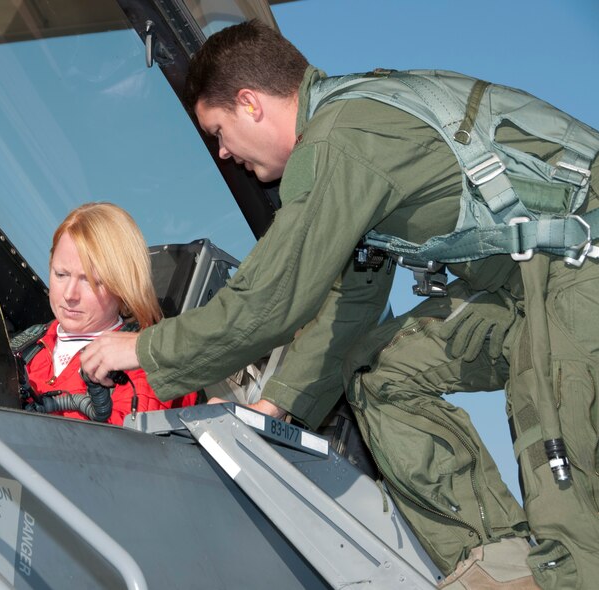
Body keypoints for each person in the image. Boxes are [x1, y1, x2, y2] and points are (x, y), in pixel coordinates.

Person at [80, 20, 599, 590]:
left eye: (219, 131)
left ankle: (567, 575)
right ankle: (497, 563)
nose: (225, 152)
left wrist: (144, 347)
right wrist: (276, 408)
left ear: (250, 104)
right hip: (520, 285)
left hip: (578, 270)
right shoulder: (350, 133)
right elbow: (353, 299)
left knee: (550, 422)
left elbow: (272, 294)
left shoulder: (339, 140)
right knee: (380, 372)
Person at [14, 202, 198, 426]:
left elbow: (127, 448)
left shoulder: (143, 366)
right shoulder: (24, 348)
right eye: (61, 274)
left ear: (122, 285)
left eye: (90, 282)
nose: (70, 294)